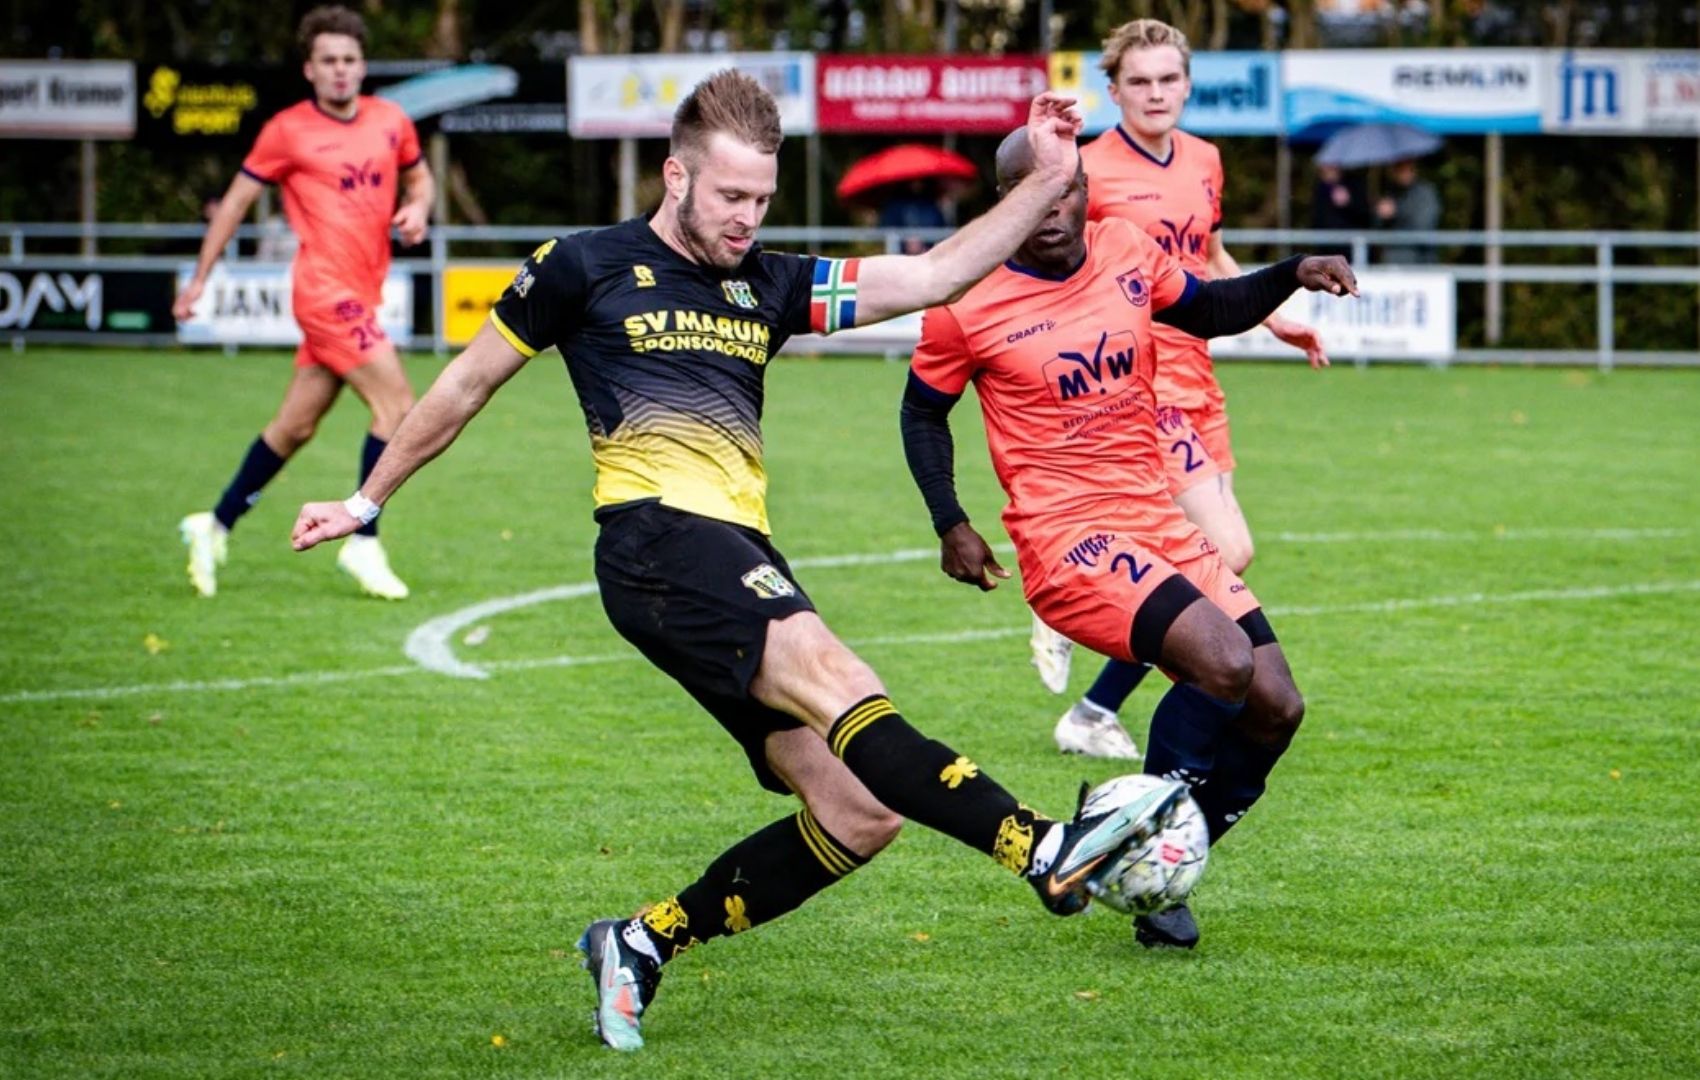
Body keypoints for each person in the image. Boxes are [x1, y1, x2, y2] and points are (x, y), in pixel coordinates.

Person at [290, 73, 1181, 1053]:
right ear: (675, 176)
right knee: (845, 684)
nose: (747, 219)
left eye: (761, 199)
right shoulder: (580, 268)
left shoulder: (770, 282)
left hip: (733, 553)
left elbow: (931, 278)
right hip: (656, 538)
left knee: (856, 812)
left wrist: (1048, 172)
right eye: (729, 198)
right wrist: (365, 501)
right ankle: (1042, 849)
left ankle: (640, 942)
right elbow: (462, 385)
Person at [900, 126, 1356, 949]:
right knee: (1222, 662)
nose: (1050, 206)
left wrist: (1292, 273)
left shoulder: (1125, 249)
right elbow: (923, 410)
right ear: (1005, 202)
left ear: (1083, 191)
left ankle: (1152, 868)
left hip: (1153, 516)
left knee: (1277, 705)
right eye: (1026, 191)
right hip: (1066, 535)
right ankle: (1120, 841)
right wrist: (950, 521)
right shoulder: (966, 300)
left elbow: (1210, 309)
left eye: (1063, 188)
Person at [1029, 19, 1330, 761]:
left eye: (1168, 79)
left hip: (1201, 373)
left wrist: (1277, 319)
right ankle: (1079, 621)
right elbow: (1057, 265)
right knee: (1224, 545)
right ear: (1114, 91)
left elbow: (1210, 253)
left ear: (1189, 84)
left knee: (1215, 561)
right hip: (1139, 382)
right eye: (1140, 81)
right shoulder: (1088, 168)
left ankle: (1097, 704)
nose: (1156, 93)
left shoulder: (1205, 159)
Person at [172, 4, 433, 600]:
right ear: (309, 70)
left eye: (349, 59)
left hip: (361, 295)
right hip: (322, 293)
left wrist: (419, 207)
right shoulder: (286, 131)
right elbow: (235, 204)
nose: (340, 71)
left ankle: (213, 524)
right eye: (328, 61)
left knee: (294, 427)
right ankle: (363, 542)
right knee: (397, 405)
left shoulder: (392, 120)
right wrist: (198, 281)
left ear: (363, 65)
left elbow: (420, 178)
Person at [1375, 158, 1441, 264]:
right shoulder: (1390, 193)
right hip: (1393, 262)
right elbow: (1378, 230)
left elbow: (1424, 225)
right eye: (1398, 169)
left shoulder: (1426, 193)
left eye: (1406, 169)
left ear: (1414, 169)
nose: (1403, 173)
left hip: (1421, 261)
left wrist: (1396, 212)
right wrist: (1381, 216)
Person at [1310, 162, 1370, 258]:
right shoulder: (1319, 188)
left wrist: (1348, 202)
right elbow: (1316, 219)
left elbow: (1365, 215)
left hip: (1348, 248)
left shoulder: (1354, 185)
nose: (1328, 169)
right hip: (1325, 248)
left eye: (1331, 166)